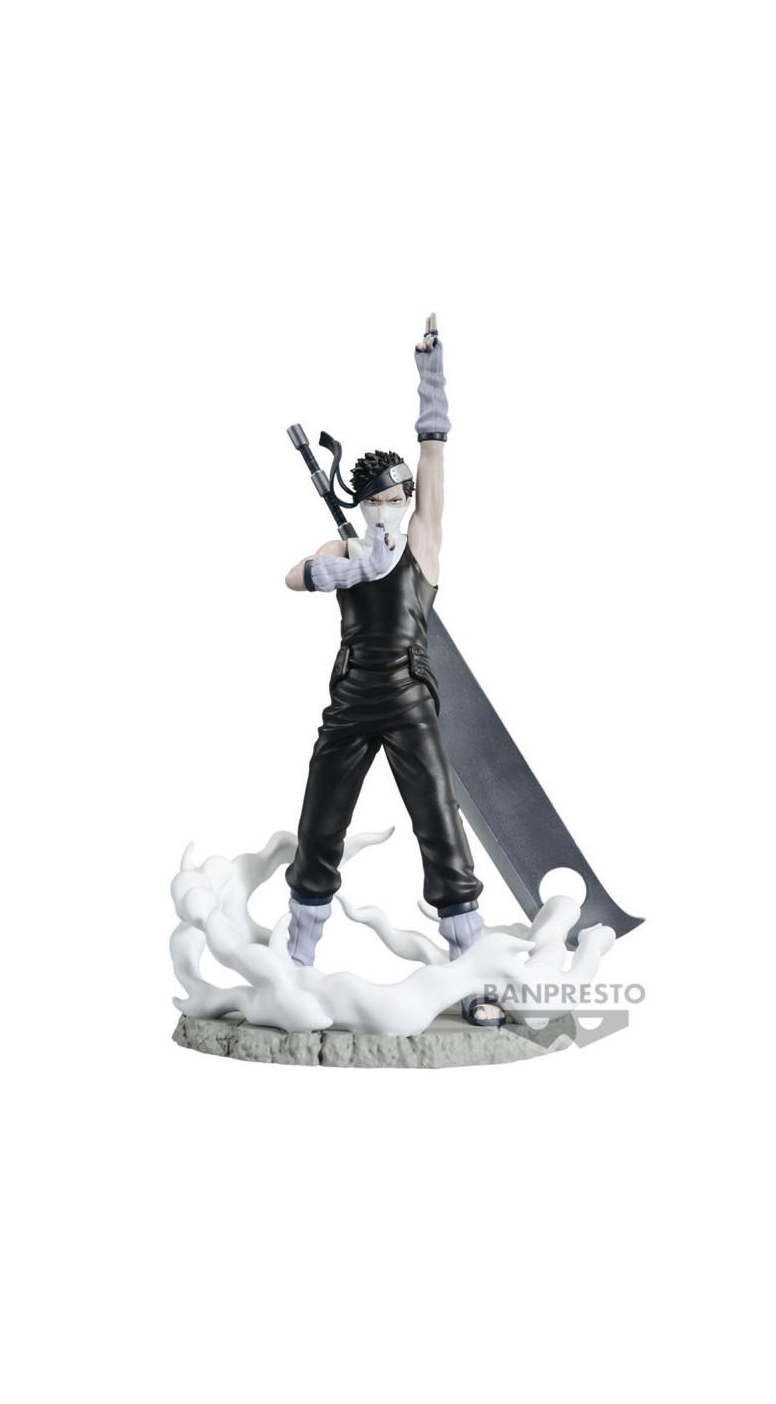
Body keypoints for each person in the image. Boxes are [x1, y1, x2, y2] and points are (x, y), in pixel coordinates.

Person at [282, 314, 504, 1026]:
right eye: (382, 498)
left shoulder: (422, 542)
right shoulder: (344, 549)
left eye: (400, 497)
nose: (395, 506)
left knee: (440, 826)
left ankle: (472, 973)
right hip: (351, 700)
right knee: (320, 826)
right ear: (361, 503)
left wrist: (429, 373)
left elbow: (433, 455)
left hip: (409, 699)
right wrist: (347, 568)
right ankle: (295, 964)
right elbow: (293, 576)